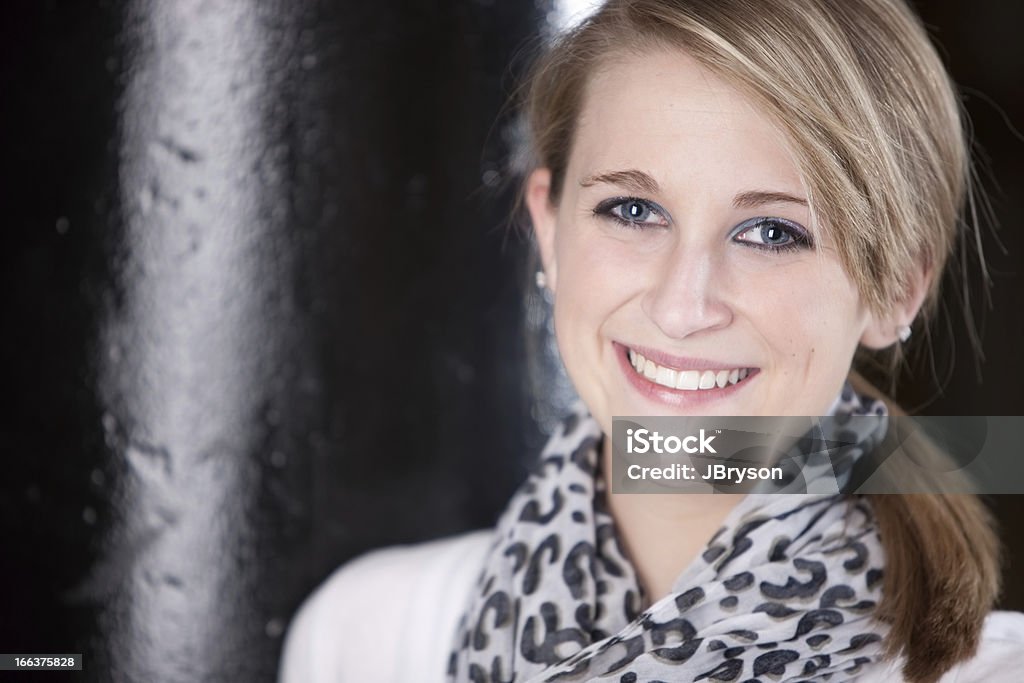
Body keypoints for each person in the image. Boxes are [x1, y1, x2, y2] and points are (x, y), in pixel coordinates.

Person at [279, 0, 1024, 681]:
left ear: (898, 288)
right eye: (632, 210)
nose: (680, 306)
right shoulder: (367, 638)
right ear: (550, 229)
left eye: (771, 232)